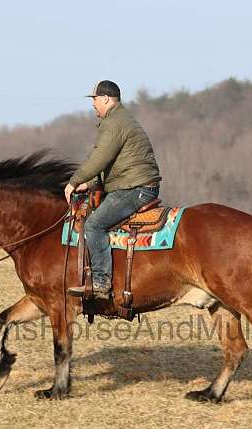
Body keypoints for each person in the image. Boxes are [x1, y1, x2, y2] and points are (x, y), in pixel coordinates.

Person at [65, 80, 162, 299]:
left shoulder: (114, 123)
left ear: (106, 99)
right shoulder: (120, 120)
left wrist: (73, 181)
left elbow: (99, 158)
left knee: (94, 224)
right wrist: (88, 184)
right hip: (134, 184)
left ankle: (101, 283)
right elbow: (111, 164)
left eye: (95, 99)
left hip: (133, 188)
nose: (93, 104)